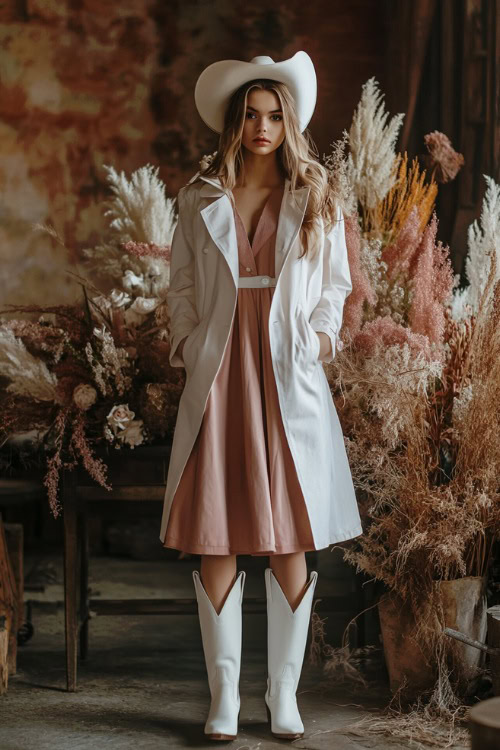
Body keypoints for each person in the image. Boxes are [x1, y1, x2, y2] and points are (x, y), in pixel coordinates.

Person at [160, 51, 362, 741]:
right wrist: (188, 349)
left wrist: (322, 342)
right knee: (216, 529)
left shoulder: (317, 194)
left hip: (286, 373)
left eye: (275, 115)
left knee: (286, 532)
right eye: (251, 114)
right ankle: (222, 700)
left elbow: (335, 288)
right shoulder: (199, 197)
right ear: (233, 120)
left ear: (290, 122)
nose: (263, 127)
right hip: (220, 372)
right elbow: (180, 290)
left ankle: (281, 696)